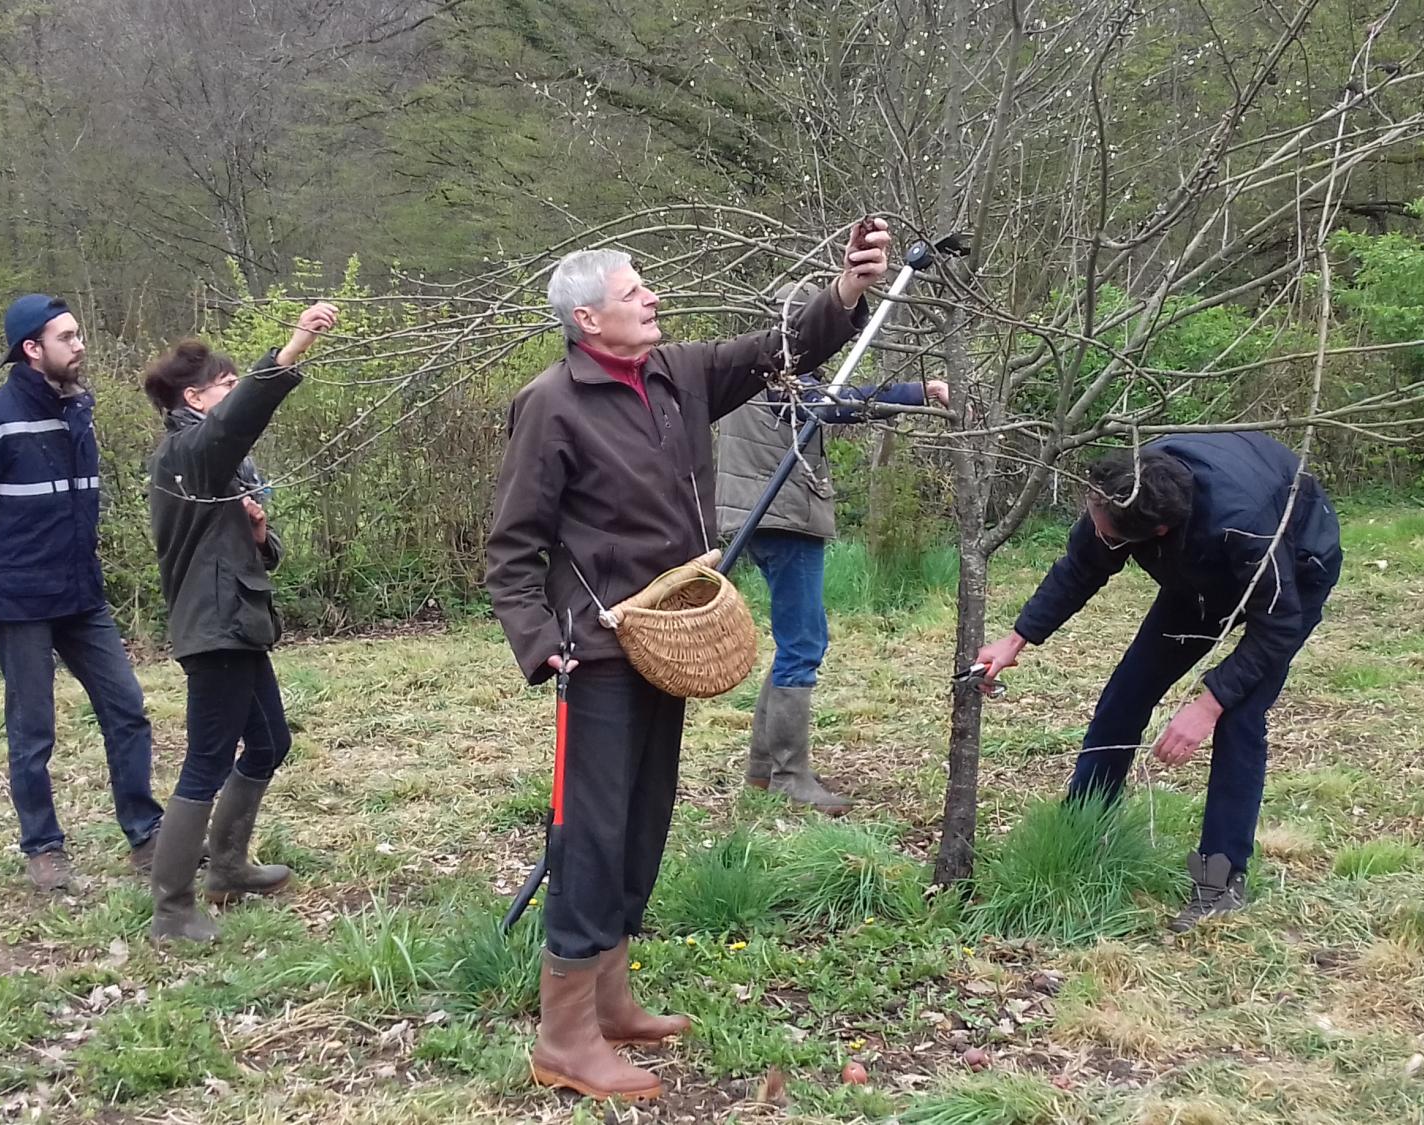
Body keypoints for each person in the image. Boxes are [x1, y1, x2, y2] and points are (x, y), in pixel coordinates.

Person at [486, 220, 893, 1100]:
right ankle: (564, 1038)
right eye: (636, 293)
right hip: (589, 654)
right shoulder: (551, 404)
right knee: (587, 834)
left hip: (665, 640)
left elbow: (782, 346)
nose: (653, 298)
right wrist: (538, 641)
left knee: (642, 817)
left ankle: (613, 1000)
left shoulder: (677, 374)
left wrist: (849, 290)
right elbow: (511, 545)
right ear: (590, 320)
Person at [973, 433, 1343, 932]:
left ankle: (1220, 881)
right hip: (1197, 581)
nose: (1097, 532)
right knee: (1126, 694)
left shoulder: (1244, 526)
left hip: (1293, 569)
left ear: (1158, 531)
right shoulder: (1123, 491)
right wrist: (1015, 640)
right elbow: (1082, 566)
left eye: (1109, 534)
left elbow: (1276, 627)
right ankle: (1083, 827)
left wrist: (1208, 704)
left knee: (1240, 718)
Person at [0, 294, 165, 894]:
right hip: (20, 602)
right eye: (67, 337)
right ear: (31, 349)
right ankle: (43, 850)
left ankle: (146, 836)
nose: (80, 344)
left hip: (82, 596)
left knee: (127, 710)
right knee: (33, 731)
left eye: (78, 334)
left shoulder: (79, 412)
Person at [139, 302, 339, 944]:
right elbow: (237, 423)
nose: (230, 397)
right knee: (204, 761)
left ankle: (227, 870)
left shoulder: (213, 465)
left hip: (239, 621)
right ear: (196, 399)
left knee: (270, 742)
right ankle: (171, 910)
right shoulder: (185, 452)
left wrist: (257, 531)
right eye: (224, 387)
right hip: (213, 627)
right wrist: (292, 347)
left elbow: (256, 551)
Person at [714, 283, 948, 814]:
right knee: (803, 644)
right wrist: (917, 392)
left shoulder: (749, 365)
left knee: (797, 640)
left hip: (765, 514)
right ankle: (788, 776)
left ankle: (762, 769)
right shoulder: (779, 372)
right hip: (783, 515)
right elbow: (833, 407)